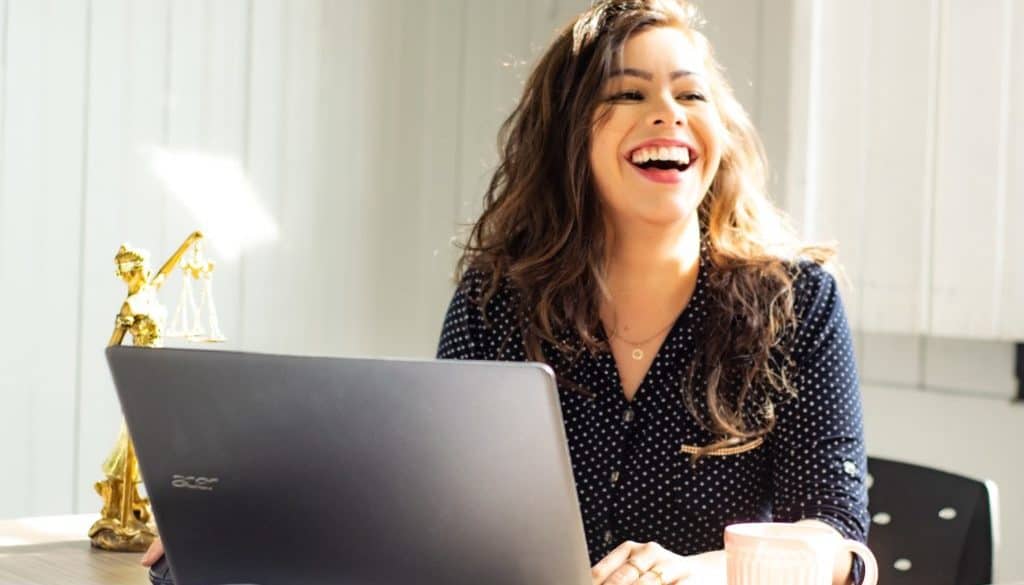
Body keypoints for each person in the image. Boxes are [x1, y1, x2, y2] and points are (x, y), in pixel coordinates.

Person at [145, 1, 869, 583]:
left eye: (690, 93)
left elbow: (837, 543)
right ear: (569, 141)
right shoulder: (497, 299)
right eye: (628, 93)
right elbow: (423, 503)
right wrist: (237, 519)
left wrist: (705, 572)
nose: (669, 112)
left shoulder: (798, 306)